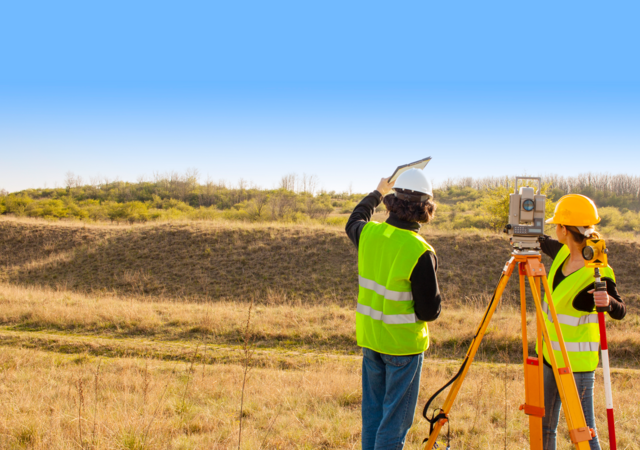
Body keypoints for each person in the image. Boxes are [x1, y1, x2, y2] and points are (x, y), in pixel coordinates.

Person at [345, 169, 442, 450]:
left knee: (373, 417)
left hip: (371, 341)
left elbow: (355, 219)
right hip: (402, 349)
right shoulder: (420, 251)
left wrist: (378, 191)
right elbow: (428, 312)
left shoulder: (369, 234)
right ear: (426, 209)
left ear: (392, 203)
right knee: (393, 425)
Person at [537, 194, 626, 450]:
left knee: (584, 434)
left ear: (564, 229)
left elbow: (620, 311)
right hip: (548, 356)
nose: (554, 230)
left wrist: (607, 301)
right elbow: (544, 243)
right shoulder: (562, 253)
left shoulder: (598, 272)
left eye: (556, 225)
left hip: (577, 365)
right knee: (545, 427)